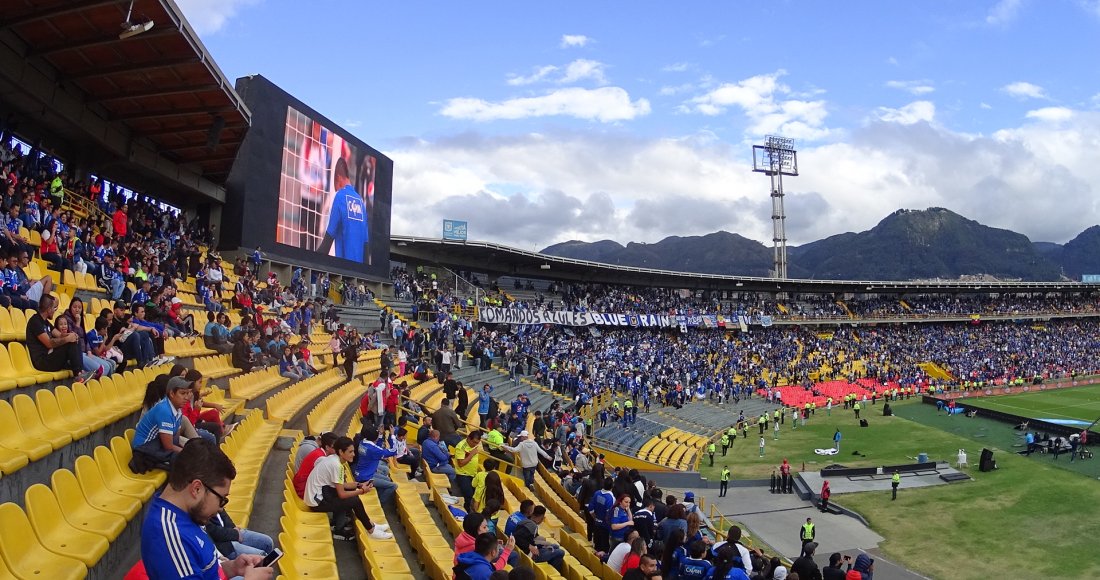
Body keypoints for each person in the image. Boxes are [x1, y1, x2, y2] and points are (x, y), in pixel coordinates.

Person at [140, 438, 274, 580]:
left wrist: (232, 568)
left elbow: (205, 571)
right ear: (197, 489)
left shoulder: (188, 513)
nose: (221, 509)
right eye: (221, 499)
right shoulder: (169, 535)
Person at [303, 436, 392, 541]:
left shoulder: (334, 460)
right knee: (354, 501)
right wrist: (362, 491)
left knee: (351, 495)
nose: (354, 454)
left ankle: (371, 524)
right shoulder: (336, 465)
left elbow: (342, 485)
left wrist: (359, 485)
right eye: (350, 452)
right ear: (341, 452)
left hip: (320, 495)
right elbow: (342, 494)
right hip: (316, 503)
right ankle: (371, 530)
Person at [130, 376, 193, 472]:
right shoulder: (164, 410)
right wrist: (188, 452)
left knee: (191, 455)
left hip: (157, 444)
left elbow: (175, 437)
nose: (187, 397)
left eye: (188, 393)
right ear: (172, 393)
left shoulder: (177, 409)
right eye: (183, 393)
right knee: (184, 461)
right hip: (144, 449)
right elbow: (169, 446)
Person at [317, 158, 369, 262]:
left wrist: (308, 260)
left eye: (335, 185)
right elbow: (366, 245)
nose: (335, 189)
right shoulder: (360, 201)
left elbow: (328, 241)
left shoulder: (340, 196)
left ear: (339, 178)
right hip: (359, 272)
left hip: (344, 272)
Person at [27, 294, 89, 380]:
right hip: (42, 362)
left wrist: (71, 335)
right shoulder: (35, 322)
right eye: (54, 308)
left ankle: (80, 372)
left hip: (50, 356)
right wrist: (67, 339)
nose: (55, 311)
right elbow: (49, 343)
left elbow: (60, 334)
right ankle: (78, 375)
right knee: (70, 342)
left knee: (75, 338)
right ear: (48, 309)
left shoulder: (46, 322)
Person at [205, 507, 275, 559]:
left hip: (229, 532)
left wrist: (232, 528)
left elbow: (223, 512)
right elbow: (212, 531)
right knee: (262, 557)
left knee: (267, 542)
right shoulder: (200, 506)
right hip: (223, 545)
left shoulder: (215, 495)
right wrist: (235, 534)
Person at [513, 506, 565, 571]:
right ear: (539, 518)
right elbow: (516, 536)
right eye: (542, 518)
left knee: (555, 546)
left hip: (532, 549)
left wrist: (542, 545)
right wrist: (530, 546)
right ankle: (555, 572)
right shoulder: (532, 526)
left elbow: (530, 539)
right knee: (561, 552)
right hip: (532, 555)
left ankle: (552, 571)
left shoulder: (526, 520)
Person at [293, 432, 338, 498]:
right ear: (327, 447)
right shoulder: (320, 458)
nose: (337, 450)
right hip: (304, 490)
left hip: (303, 486)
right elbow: (328, 481)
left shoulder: (319, 452)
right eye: (335, 448)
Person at [455, 430, 484, 512]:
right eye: (474, 442)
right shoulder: (461, 447)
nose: (475, 445)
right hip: (463, 474)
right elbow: (460, 463)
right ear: (468, 438)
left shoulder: (475, 446)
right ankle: (467, 512)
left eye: (477, 443)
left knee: (475, 495)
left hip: (472, 474)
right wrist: (471, 454)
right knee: (468, 496)